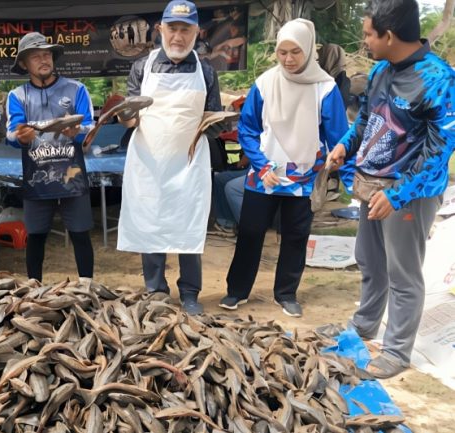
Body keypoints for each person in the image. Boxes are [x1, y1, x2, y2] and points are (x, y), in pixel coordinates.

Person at [328, 0, 455, 378]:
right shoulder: (382, 70)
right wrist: (344, 145)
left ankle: (397, 352)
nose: (364, 40)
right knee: (370, 261)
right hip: (371, 184)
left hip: (409, 192)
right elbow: (367, 119)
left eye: (368, 34)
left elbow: (440, 151)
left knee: (403, 273)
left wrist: (397, 194)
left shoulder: (438, 79)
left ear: (389, 35)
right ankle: (364, 326)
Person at [219, 19, 349, 317]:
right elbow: (248, 129)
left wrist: (339, 165)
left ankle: (286, 293)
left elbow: (339, 135)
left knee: (295, 235)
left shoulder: (325, 88)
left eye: (295, 52)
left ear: (307, 50)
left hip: (305, 175)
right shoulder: (265, 83)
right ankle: (236, 290)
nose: (288, 59)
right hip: (265, 173)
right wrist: (261, 165)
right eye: (282, 52)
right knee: (250, 231)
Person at [117, 0, 223, 315]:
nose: (178, 36)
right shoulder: (141, 67)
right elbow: (130, 117)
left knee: (187, 227)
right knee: (151, 224)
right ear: (160, 30)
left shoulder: (206, 70)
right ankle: (155, 289)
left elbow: (214, 121)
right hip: (149, 161)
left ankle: (190, 292)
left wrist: (215, 123)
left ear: (196, 32)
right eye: (172, 29)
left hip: (189, 164)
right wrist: (125, 117)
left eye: (185, 30)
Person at [5, 32, 95, 283]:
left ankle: (86, 288)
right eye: (36, 56)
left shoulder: (76, 89)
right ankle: (34, 289)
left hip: (72, 175)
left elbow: (89, 128)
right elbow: (12, 134)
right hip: (37, 177)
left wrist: (77, 132)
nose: (44, 60)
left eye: (47, 55)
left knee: (80, 234)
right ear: (24, 64)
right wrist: (21, 137)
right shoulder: (17, 96)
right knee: (36, 236)